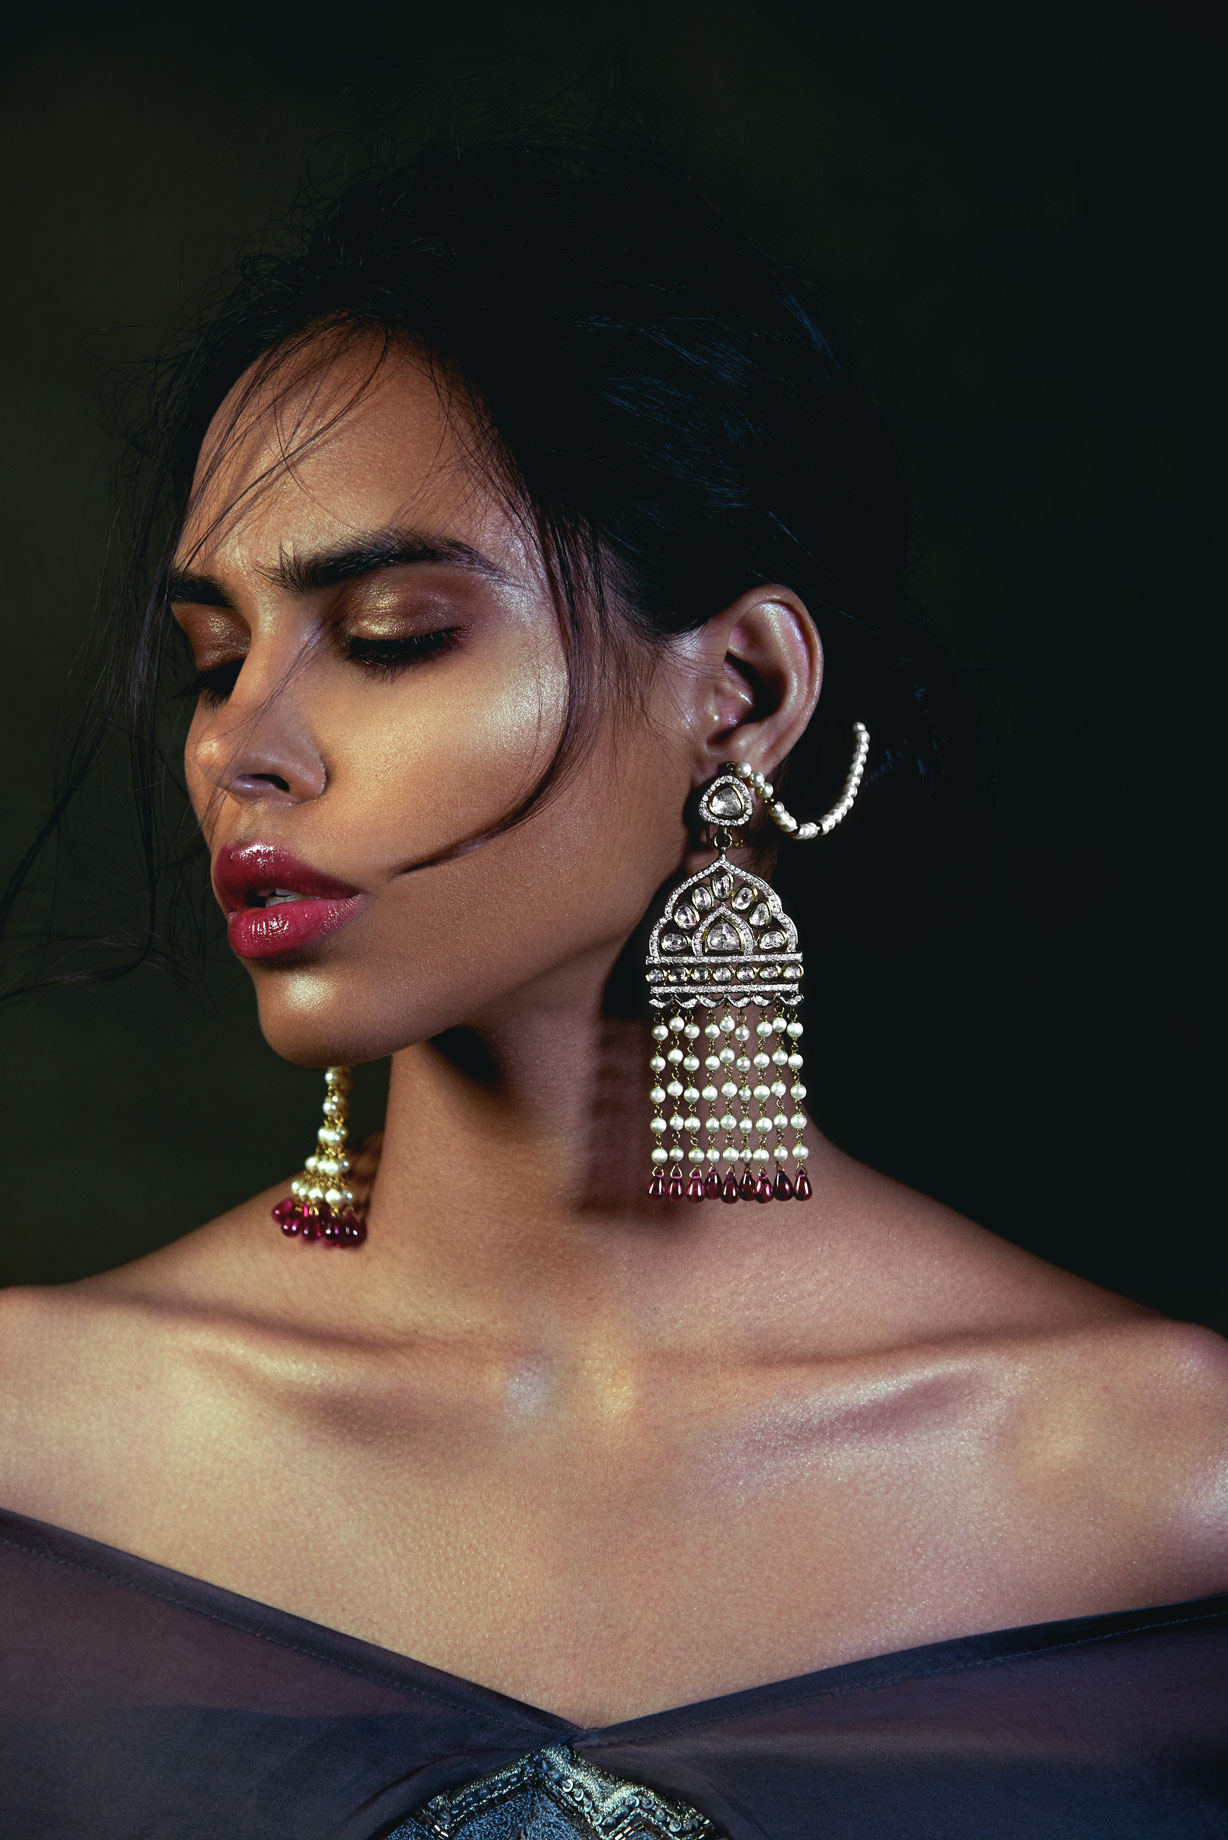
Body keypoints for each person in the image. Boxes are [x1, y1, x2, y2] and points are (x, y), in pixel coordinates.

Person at [0, 131, 1224, 1839]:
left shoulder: (1170, 1487)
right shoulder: (37, 1447)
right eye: (217, 658)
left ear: (742, 693)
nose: (235, 748)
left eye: (391, 634)